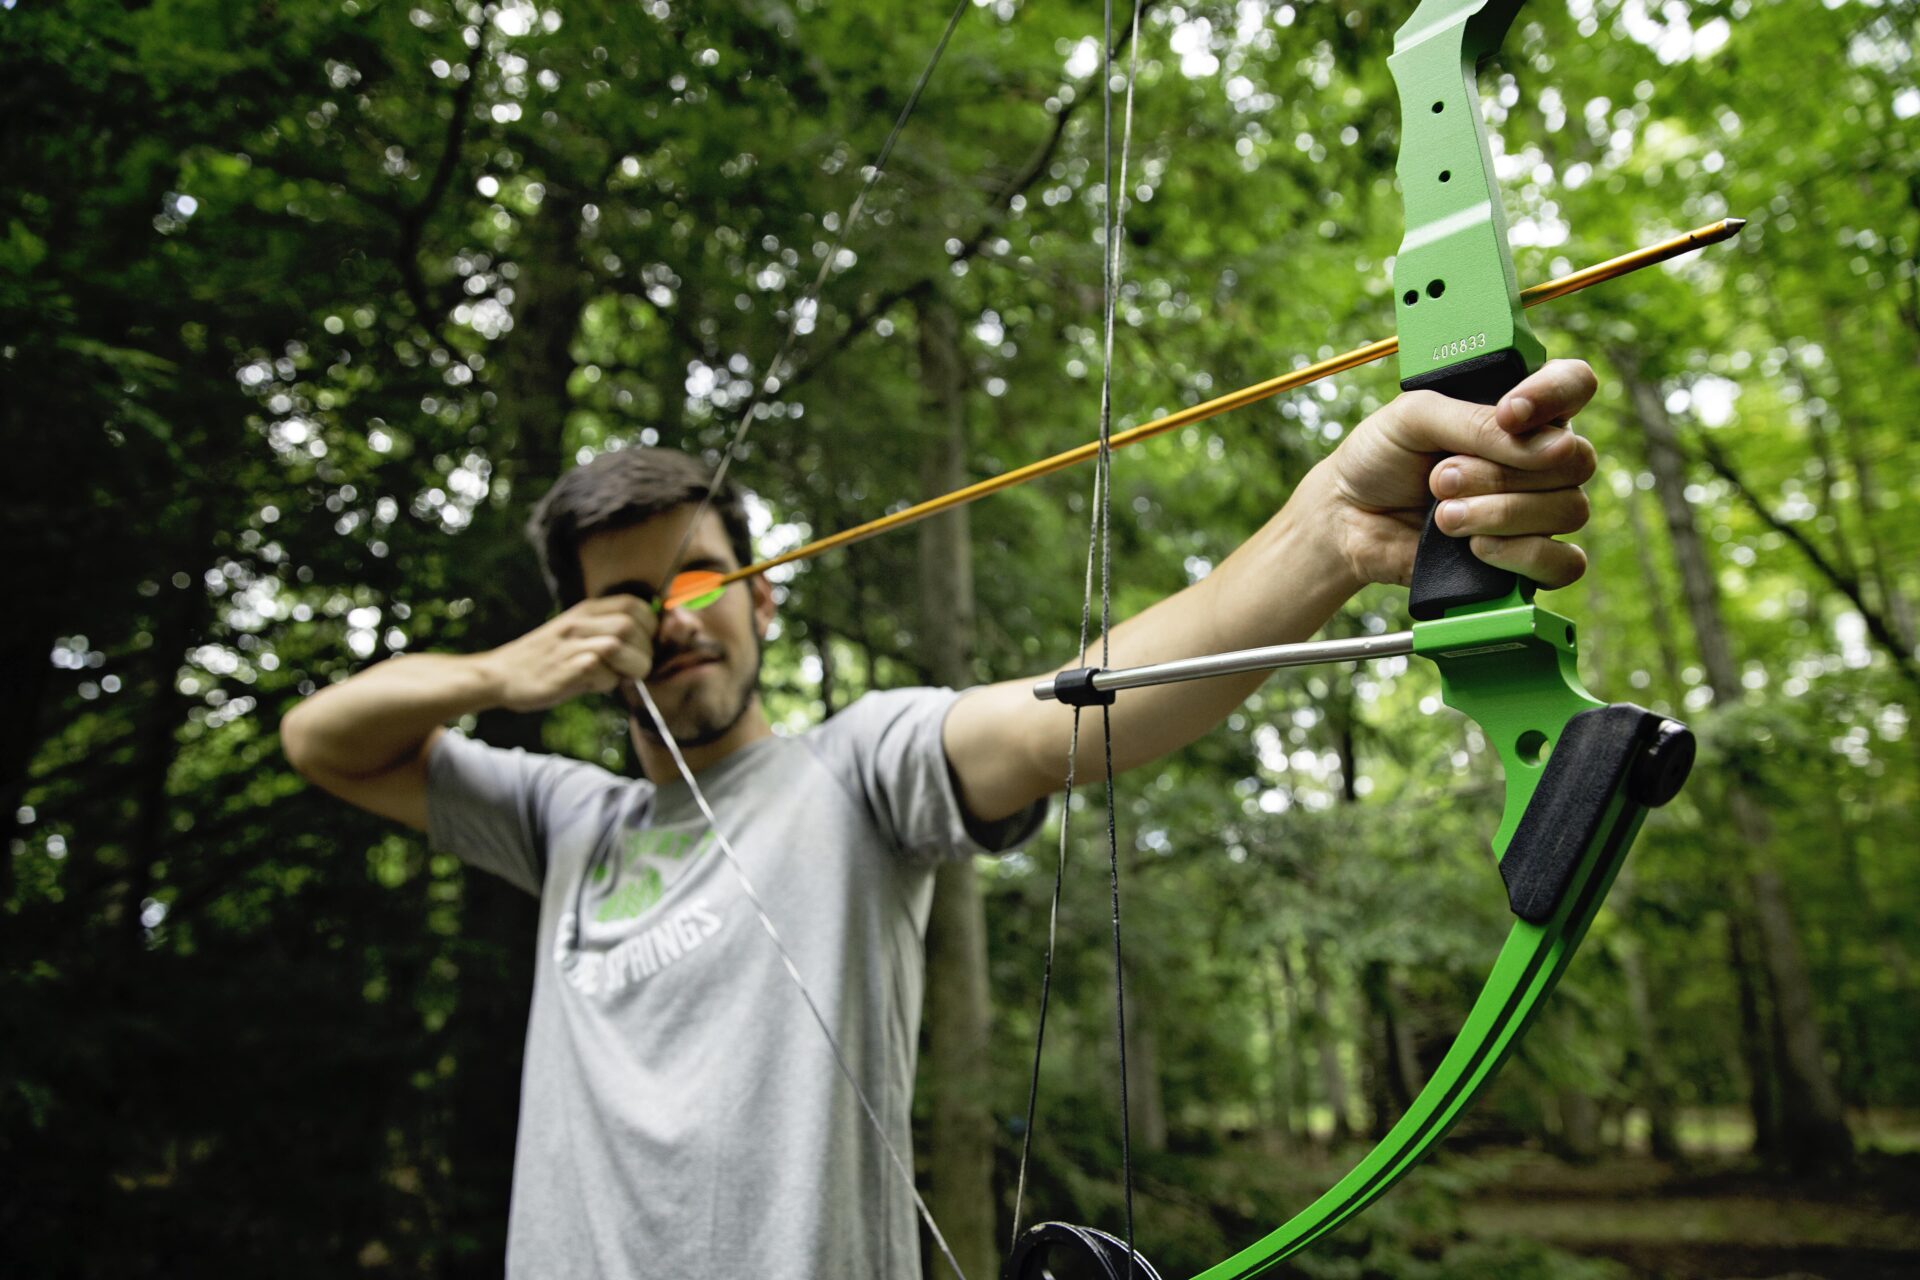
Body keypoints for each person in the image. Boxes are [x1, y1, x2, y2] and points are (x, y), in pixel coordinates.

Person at [279, 362, 1599, 1278]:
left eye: (698, 575)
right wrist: (502, 677)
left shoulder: (856, 769)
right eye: (626, 599)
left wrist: (1328, 532)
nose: (672, 615)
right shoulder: (566, 820)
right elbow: (321, 739)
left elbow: (1068, 710)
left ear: (765, 602)